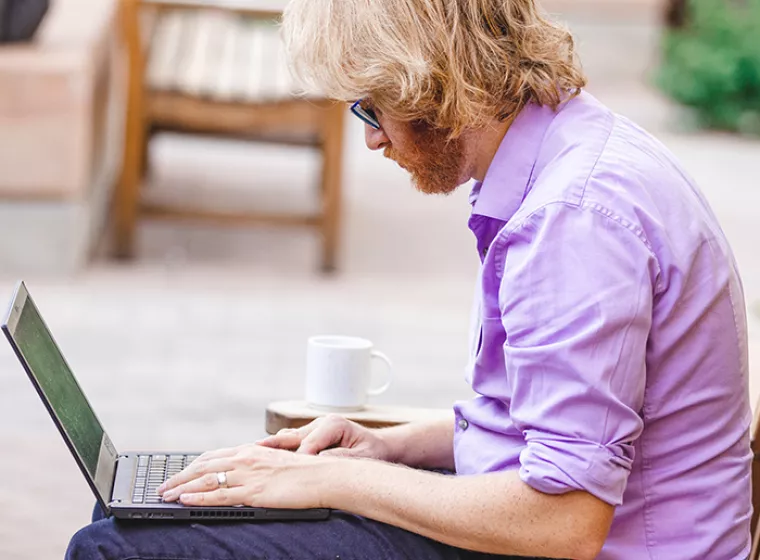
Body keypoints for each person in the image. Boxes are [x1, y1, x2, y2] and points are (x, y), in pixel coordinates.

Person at [66, 0, 752, 558]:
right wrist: (390, 447)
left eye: (372, 105)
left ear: (434, 85)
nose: (371, 137)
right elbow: (549, 429)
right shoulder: (574, 151)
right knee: (142, 511)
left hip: (579, 543)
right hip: (563, 521)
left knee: (113, 550)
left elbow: (565, 521)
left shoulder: (573, 223)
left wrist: (339, 479)